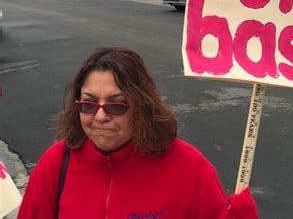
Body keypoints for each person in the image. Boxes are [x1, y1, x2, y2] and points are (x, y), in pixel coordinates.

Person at [18, 47, 258, 218]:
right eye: (89, 104)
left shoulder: (190, 169)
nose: (100, 116)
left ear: (141, 106)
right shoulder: (55, 164)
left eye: (116, 105)